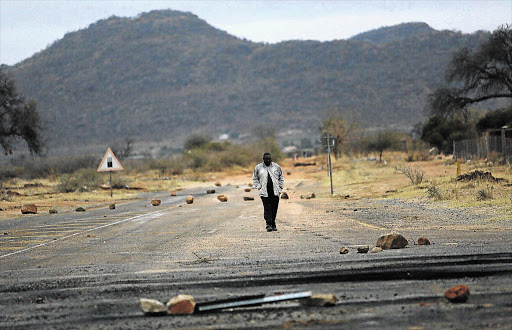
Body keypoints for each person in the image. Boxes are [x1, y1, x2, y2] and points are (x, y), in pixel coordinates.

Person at [252, 152, 284, 232]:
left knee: (274, 208)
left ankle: (273, 223)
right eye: (266, 159)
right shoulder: (258, 167)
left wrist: (280, 188)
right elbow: (255, 179)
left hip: (275, 191)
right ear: (263, 159)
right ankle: (268, 224)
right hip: (264, 192)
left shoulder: (276, 167)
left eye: (269, 159)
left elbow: (281, 177)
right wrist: (259, 187)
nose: (268, 160)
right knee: (267, 208)